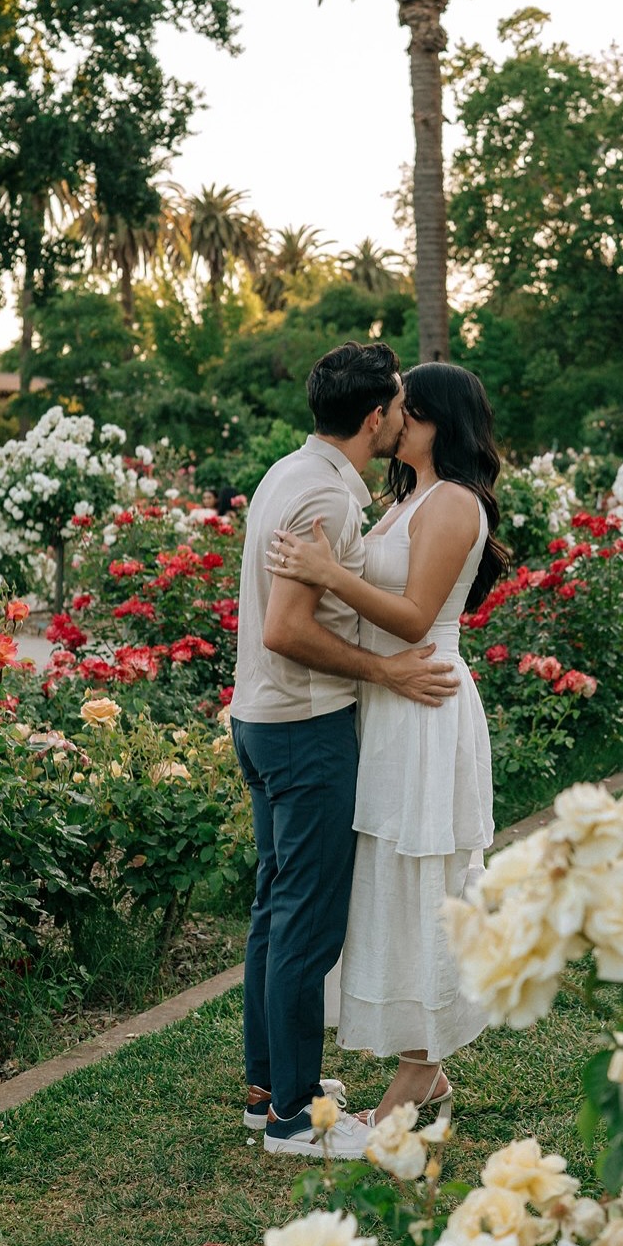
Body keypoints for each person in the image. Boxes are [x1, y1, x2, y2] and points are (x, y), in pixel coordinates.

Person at [229, 341, 458, 1160]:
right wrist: (385, 670)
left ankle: (269, 1088)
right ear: (374, 417)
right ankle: (294, 1118)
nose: (404, 415)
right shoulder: (326, 495)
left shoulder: (290, 472)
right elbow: (287, 628)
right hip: (304, 728)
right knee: (306, 922)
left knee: (275, 909)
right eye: (398, 404)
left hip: (263, 719)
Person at [269, 362, 509, 1125]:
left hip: (424, 698)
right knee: (390, 883)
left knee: (423, 884)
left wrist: (329, 573)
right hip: (391, 700)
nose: (397, 419)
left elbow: (413, 616)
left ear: (440, 422)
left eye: (411, 410)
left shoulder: (455, 503)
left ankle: (420, 1071)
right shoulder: (407, 499)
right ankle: (421, 1067)